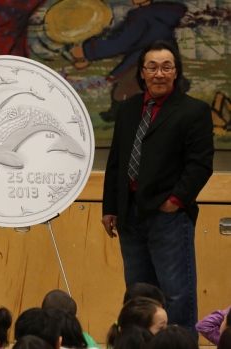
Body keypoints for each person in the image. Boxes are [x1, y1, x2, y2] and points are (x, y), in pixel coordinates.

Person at [101, 40, 214, 337]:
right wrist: (110, 207)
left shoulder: (193, 111)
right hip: (129, 216)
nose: (159, 73)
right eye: (152, 67)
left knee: (177, 296)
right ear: (142, 73)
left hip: (169, 216)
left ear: (176, 73)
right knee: (139, 298)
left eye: (167, 67)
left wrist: (176, 201)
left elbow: (200, 165)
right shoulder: (127, 110)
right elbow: (116, 162)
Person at [70, 0, 187, 121]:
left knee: (125, 90)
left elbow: (121, 43)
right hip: (161, 61)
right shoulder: (160, 14)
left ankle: (123, 114)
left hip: (143, 61)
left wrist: (86, 50)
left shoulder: (142, 16)